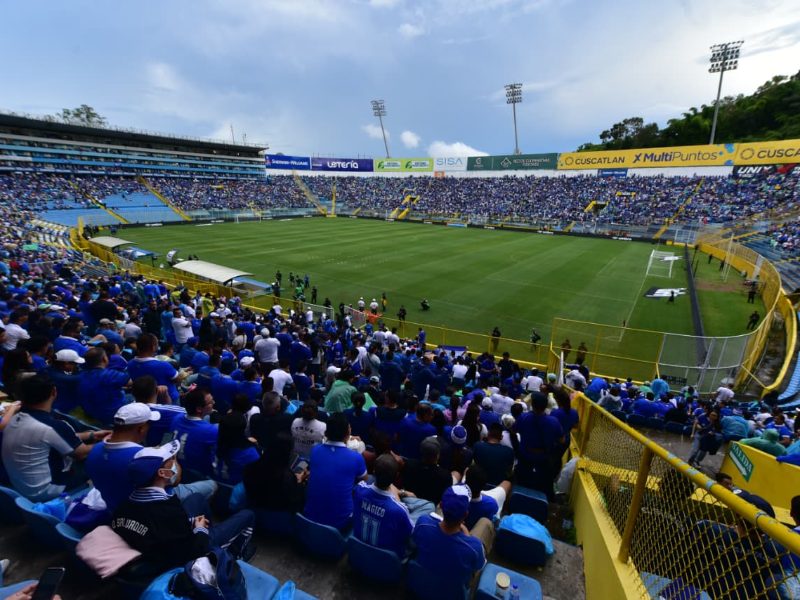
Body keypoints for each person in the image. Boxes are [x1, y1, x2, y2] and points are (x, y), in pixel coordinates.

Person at [112, 441, 255, 573]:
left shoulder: (124, 505)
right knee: (248, 515)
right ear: (162, 473)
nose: (175, 462)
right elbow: (194, 549)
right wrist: (199, 529)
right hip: (189, 555)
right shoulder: (167, 509)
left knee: (196, 498)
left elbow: (163, 528)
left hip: (162, 542)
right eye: (171, 461)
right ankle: (235, 555)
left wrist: (190, 523)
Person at [2, 374, 110, 501]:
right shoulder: (53, 426)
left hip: (21, 486)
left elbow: (53, 437)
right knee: (98, 461)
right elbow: (81, 453)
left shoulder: (15, 418)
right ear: (54, 392)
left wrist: (90, 435)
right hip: (45, 491)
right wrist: (107, 442)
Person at [412, 486, 491, 589]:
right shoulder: (474, 547)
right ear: (466, 514)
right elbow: (479, 565)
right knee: (485, 522)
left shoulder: (423, 522)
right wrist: (467, 536)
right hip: (452, 593)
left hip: (421, 583)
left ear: (440, 505)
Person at [303, 413, 367, 530]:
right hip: (341, 522)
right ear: (347, 434)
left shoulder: (315, 451)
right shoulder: (356, 457)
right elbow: (364, 480)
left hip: (309, 517)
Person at [352, 454, 416, 557]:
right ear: (396, 477)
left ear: (373, 471)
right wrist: (398, 499)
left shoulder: (359, 490)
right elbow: (411, 535)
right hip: (385, 560)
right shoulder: (400, 510)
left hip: (359, 552)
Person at [514, 392, 564, 498]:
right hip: (543, 459)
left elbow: (514, 430)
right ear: (546, 406)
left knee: (521, 483)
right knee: (544, 487)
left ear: (532, 405)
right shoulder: (553, 422)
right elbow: (562, 440)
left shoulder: (523, 417)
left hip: (525, 457)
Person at [243, 432, 308, 512]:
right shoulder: (287, 479)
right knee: (303, 465)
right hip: (279, 518)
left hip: (255, 513)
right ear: (288, 453)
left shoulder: (249, 469)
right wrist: (299, 482)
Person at [171, 388, 219, 476]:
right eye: (211, 402)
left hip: (177, 465)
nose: (214, 403)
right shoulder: (212, 430)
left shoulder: (176, 418)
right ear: (199, 409)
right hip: (198, 474)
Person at [402, 437, 458, 505]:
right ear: (438, 455)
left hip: (409, 502)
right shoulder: (445, 475)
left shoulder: (409, 465)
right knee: (456, 474)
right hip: (431, 508)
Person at [462, 464, 511, 529]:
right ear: (484, 486)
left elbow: (467, 471)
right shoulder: (491, 503)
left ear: (465, 481)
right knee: (507, 483)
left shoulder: (454, 494)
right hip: (480, 532)